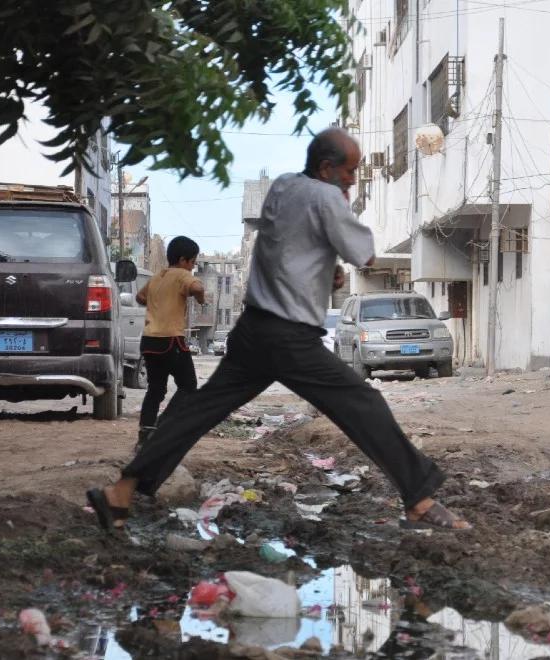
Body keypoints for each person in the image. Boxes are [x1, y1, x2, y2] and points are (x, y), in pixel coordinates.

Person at [87, 128, 470, 531]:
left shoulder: (284, 187)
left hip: (253, 331)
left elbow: (290, 248)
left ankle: (121, 493)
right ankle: (420, 501)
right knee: (364, 405)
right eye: (351, 171)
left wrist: (326, 269)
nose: (354, 180)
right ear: (326, 168)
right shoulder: (326, 196)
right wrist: (339, 217)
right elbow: (365, 254)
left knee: (196, 410)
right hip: (289, 337)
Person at [134, 236, 206, 450]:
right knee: (188, 386)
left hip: (149, 341)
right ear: (183, 260)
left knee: (155, 388)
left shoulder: (157, 278)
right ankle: (163, 426)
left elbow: (139, 297)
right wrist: (201, 299)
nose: (193, 267)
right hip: (170, 340)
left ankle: (145, 435)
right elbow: (197, 287)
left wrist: (158, 301)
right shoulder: (183, 275)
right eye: (193, 262)